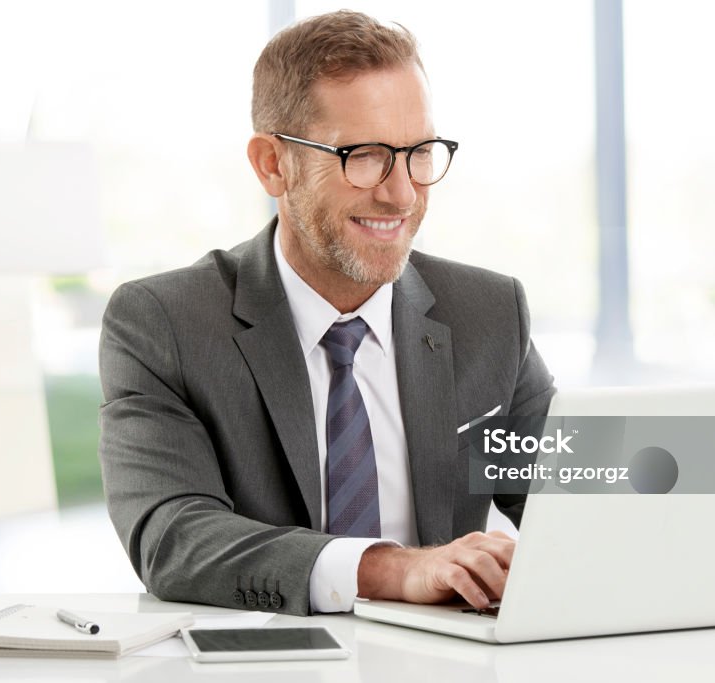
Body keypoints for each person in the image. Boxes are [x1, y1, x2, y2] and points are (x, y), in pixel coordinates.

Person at [98, 10, 556, 617]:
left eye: (419, 152)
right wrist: (392, 568)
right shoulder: (163, 323)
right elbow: (175, 538)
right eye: (363, 155)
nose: (401, 193)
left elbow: (581, 495)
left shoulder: (490, 313)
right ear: (272, 163)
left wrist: (704, 471)